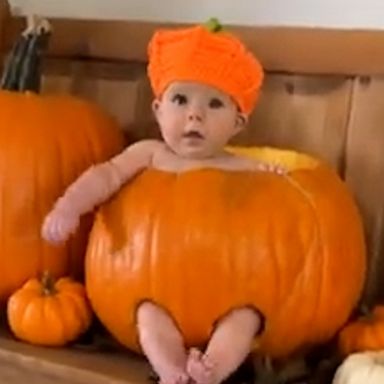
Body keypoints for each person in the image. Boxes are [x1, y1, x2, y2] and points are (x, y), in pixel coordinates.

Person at [42, 20, 284, 384]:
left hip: (228, 288)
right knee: (147, 315)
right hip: (156, 283)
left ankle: (213, 368)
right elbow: (104, 177)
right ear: (158, 110)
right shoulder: (149, 154)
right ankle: (170, 367)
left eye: (214, 104)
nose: (194, 115)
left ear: (237, 123)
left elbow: (283, 204)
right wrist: (69, 207)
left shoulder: (244, 164)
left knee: (246, 319)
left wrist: (278, 178)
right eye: (180, 99)